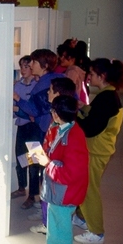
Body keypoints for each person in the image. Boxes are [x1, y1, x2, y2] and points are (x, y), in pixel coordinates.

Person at [73, 58, 123, 244]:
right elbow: (97, 115)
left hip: (97, 151)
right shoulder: (108, 94)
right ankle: (82, 218)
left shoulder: (107, 98)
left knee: (89, 189)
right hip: (99, 148)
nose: (89, 77)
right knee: (87, 185)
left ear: (102, 76)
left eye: (92, 74)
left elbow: (91, 128)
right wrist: (84, 108)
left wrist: (72, 116)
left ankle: (96, 232)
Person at [33, 95, 89, 244]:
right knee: (55, 228)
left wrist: (47, 163)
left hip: (65, 193)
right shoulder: (63, 128)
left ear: (57, 114)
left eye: (53, 111)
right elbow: (54, 151)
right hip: (57, 190)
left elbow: (70, 174)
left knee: (60, 231)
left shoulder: (74, 137)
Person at [13, 49, 64, 209]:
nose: (29, 65)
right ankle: (29, 192)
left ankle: (35, 198)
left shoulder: (45, 82)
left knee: (36, 162)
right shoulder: (48, 79)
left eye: (33, 62)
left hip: (41, 129)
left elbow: (35, 109)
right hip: (38, 128)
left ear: (44, 65)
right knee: (25, 158)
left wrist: (17, 99)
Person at [29, 77, 78, 234]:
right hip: (50, 165)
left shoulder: (66, 126)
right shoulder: (58, 118)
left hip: (55, 170)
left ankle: (48, 225)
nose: (47, 92)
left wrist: (47, 160)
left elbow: (64, 157)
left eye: (50, 90)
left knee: (52, 198)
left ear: (57, 94)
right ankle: (46, 222)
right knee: (46, 194)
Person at [12, 56, 38, 199]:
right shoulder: (17, 86)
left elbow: (35, 111)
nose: (23, 70)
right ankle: (22, 188)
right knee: (20, 158)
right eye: (21, 66)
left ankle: (33, 195)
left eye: (26, 66)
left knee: (34, 160)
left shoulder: (37, 85)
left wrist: (19, 109)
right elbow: (13, 108)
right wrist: (22, 111)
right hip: (22, 126)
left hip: (34, 128)